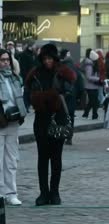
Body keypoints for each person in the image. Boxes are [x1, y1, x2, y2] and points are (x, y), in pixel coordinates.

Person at [25, 43, 76, 206]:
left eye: (50, 58)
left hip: (57, 118)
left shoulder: (62, 73)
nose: (48, 61)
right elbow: (31, 95)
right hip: (41, 120)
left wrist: (51, 97)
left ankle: (55, 192)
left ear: (55, 59)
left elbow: (69, 91)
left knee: (56, 158)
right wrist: (49, 97)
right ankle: (43, 192)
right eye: (45, 58)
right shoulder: (36, 74)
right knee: (42, 158)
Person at [0, 49, 28, 205]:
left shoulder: (15, 78)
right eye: (3, 60)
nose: (6, 62)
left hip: (13, 121)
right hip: (1, 121)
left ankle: (11, 192)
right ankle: (1, 192)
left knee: (11, 159)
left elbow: (19, 98)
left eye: (7, 60)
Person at [60, 49, 84, 145]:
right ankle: (69, 136)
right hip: (72, 96)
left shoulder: (61, 68)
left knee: (61, 116)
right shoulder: (76, 69)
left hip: (62, 96)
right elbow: (81, 85)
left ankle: (62, 134)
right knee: (70, 116)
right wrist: (78, 97)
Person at [82, 49, 101, 120]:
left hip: (93, 86)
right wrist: (98, 79)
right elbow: (88, 76)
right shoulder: (89, 65)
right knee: (94, 101)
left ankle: (87, 114)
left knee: (92, 101)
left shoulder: (90, 64)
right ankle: (94, 115)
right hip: (90, 86)